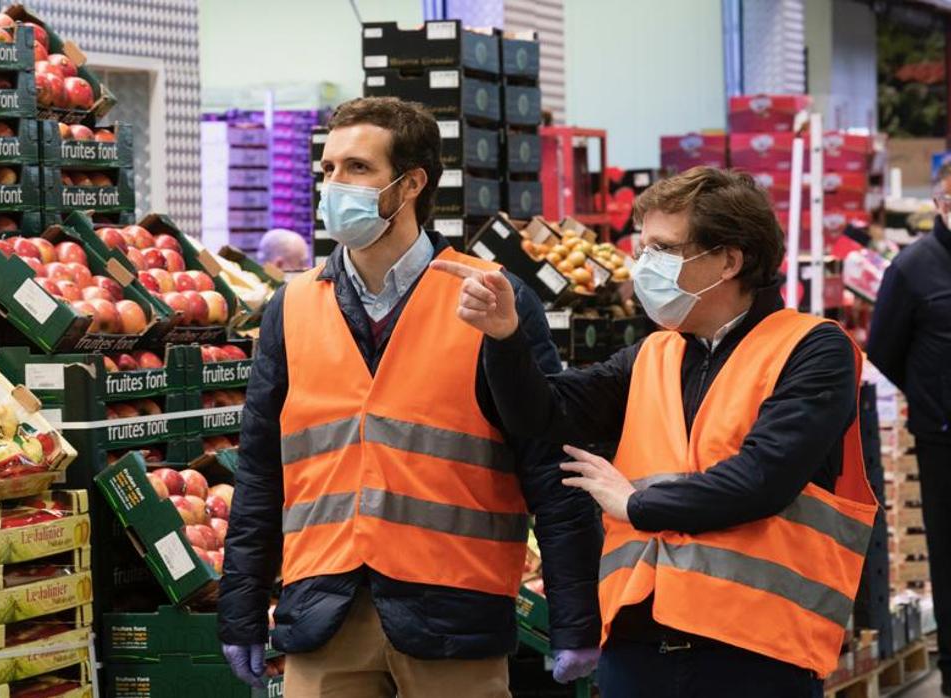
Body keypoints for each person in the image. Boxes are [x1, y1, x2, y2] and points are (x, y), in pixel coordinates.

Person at [434, 166, 877, 697]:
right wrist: (505, 338)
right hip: (639, 645)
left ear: (729, 261)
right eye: (641, 249)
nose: (642, 266)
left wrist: (634, 504)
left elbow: (763, 478)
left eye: (662, 250)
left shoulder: (813, 349)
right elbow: (542, 413)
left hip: (753, 653)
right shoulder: (653, 353)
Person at [217, 96, 603, 697]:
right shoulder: (291, 308)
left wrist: (575, 615)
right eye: (328, 170)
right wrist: (241, 606)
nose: (335, 184)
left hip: (456, 614)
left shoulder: (490, 297)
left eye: (357, 168)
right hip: (324, 612)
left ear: (411, 184)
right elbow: (262, 469)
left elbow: (548, 460)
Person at [867, 164, 951, 695]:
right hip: (944, 437)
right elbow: (883, 348)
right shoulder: (914, 267)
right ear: (943, 203)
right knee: (947, 552)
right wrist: (931, 398)